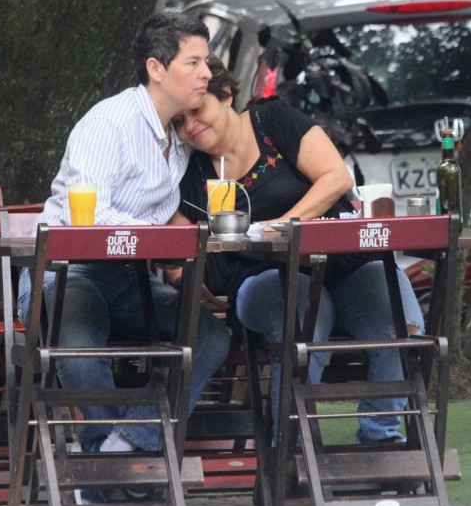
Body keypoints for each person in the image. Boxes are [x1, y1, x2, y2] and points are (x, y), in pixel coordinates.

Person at [18, 12, 230, 475]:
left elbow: (231, 135)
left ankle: (126, 448)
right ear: (157, 69)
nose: (206, 73)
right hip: (68, 269)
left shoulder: (181, 135)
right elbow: (88, 217)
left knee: (210, 337)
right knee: (78, 349)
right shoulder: (110, 122)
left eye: (207, 62)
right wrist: (162, 241)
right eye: (193, 62)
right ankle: (103, 465)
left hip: (131, 279)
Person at [173, 57, 425, 444]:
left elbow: (335, 177)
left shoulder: (273, 122)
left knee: (400, 324)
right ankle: (288, 451)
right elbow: (184, 254)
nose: (190, 126)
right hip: (261, 279)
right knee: (309, 316)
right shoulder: (193, 174)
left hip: (345, 264)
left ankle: (382, 441)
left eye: (196, 110)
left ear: (225, 94)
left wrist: (282, 227)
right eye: (179, 121)